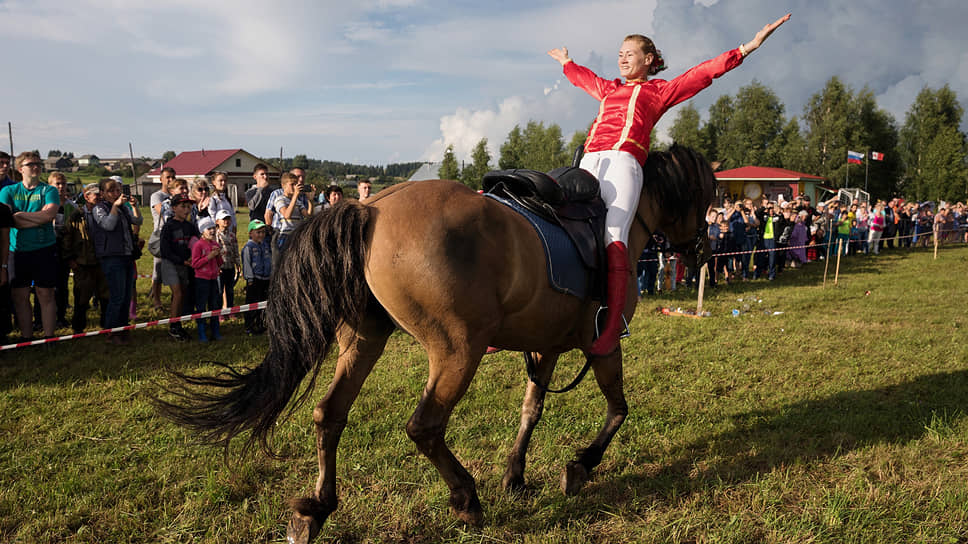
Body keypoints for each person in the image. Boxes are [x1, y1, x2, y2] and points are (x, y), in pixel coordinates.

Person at [548, 13, 789, 354]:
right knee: (556, 219)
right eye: (619, 53)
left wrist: (747, 47)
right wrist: (567, 62)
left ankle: (611, 327)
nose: (621, 58)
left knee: (614, 234)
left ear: (648, 60)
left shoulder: (660, 91)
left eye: (629, 53)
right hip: (588, 161)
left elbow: (702, 74)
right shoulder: (609, 89)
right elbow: (583, 78)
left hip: (624, 163)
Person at [0, 152, 60, 341]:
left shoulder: (49, 190)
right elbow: (7, 220)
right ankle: (27, 338)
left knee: (45, 294)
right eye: (30, 164)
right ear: (20, 169)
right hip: (17, 251)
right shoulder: (8, 191)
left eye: (38, 163)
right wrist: (36, 219)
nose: (36, 166)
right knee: (20, 296)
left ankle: (49, 338)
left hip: (44, 249)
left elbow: (49, 216)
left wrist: (19, 216)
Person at [90, 178, 143, 344]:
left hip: (126, 255)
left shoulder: (123, 208)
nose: (116, 193)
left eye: (117, 190)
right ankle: (112, 332)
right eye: (111, 191)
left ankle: (123, 328)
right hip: (112, 257)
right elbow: (108, 225)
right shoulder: (99, 208)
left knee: (126, 296)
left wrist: (134, 207)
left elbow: (138, 221)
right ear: (103, 194)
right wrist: (114, 206)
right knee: (117, 296)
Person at [61, 183, 109, 333]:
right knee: (81, 297)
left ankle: (106, 325)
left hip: (103, 261)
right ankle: (78, 327)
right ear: (87, 196)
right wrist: (70, 259)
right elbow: (67, 237)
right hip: (83, 263)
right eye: (96, 194)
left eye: (100, 193)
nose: (99, 197)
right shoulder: (77, 215)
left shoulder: (106, 211)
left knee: (105, 296)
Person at [159, 193, 199, 341]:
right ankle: (173, 326)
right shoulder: (168, 226)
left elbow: (196, 244)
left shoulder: (190, 226)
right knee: (178, 293)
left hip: (185, 264)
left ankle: (177, 322)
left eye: (189, 206)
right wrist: (182, 261)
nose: (187, 209)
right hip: (170, 263)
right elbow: (165, 250)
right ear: (174, 208)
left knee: (182, 293)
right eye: (183, 206)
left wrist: (192, 257)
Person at [48, 172, 76, 329]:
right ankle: (40, 319)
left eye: (63, 184)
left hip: (64, 249)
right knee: (45, 285)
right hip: (46, 247)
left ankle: (61, 316)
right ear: (50, 186)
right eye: (57, 184)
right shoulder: (44, 204)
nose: (60, 187)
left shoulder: (71, 207)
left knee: (62, 285)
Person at [190, 216, 222, 342]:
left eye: (213, 228)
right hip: (201, 280)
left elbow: (220, 263)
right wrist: (209, 257)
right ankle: (202, 332)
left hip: (214, 279)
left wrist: (218, 255)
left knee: (214, 305)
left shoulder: (215, 244)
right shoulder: (198, 245)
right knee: (201, 306)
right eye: (209, 229)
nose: (212, 231)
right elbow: (195, 264)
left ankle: (215, 331)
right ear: (202, 231)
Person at [269, 172, 310, 269]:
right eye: (292, 184)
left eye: (296, 184)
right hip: (286, 236)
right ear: (283, 186)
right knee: (283, 264)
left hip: (297, 235)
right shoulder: (280, 199)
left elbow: (308, 215)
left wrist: (310, 200)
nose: (295, 187)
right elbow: (287, 215)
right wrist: (295, 196)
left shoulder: (298, 201)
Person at [149, 167, 176, 309]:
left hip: (176, 237)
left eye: (173, 177)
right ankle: (157, 302)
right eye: (168, 177)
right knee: (158, 272)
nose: (170, 180)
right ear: (161, 179)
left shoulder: (176, 195)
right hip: (161, 238)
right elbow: (165, 213)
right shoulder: (156, 196)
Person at [241, 219, 272, 335]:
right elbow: (247, 264)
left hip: (265, 278)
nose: (261, 235)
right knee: (252, 303)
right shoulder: (248, 247)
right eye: (258, 232)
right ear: (250, 233)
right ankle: (250, 326)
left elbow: (269, 261)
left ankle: (261, 324)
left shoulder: (265, 246)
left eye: (263, 232)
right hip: (254, 280)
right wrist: (249, 279)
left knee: (263, 303)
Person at [215, 209, 240, 314]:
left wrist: (238, 264)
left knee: (230, 290)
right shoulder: (216, 236)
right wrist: (216, 266)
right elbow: (215, 252)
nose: (226, 221)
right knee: (219, 291)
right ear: (217, 221)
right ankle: (220, 311)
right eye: (223, 219)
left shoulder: (232, 235)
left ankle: (230, 310)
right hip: (220, 267)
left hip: (230, 266)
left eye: (228, 219)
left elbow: (235, 250)